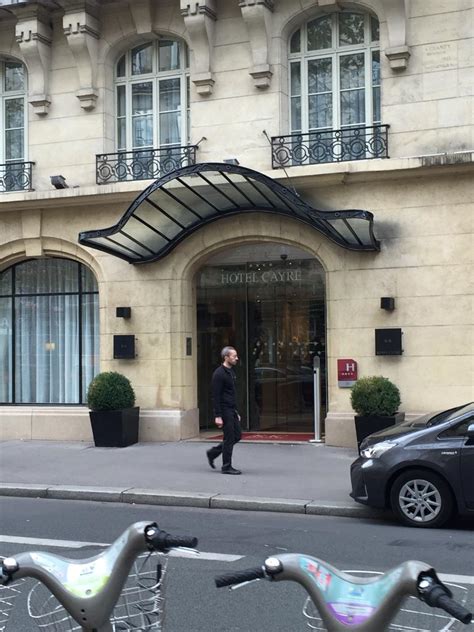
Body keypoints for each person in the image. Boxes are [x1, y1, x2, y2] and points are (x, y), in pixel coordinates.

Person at [206, 346, 242, 475]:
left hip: (231, 409)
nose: (236, 358)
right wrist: (218, 415)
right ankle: (226, 466)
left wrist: (236, 412)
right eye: (234, 356)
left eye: (236, 356)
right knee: (229, 438)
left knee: (237, 435)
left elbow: (232, 394)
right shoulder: (219, 374)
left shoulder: (231, 372)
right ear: (226, 357)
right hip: (224, 410)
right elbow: (215, 396)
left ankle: (213, 452)